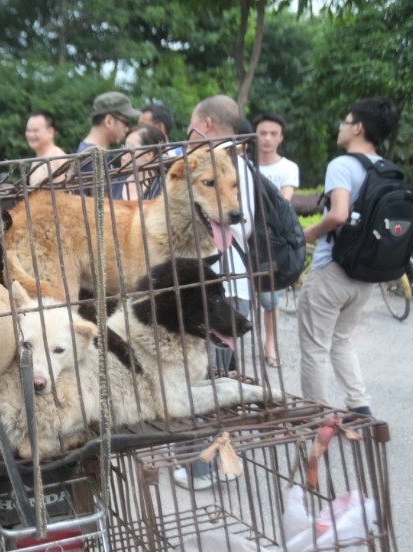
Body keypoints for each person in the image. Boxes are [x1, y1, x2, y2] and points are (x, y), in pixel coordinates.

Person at [298, 97, 402, 419]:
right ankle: (359, 404)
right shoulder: (388, 170)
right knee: (341, 339)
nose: (340, 128)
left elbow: (339, 214)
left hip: (333, 270)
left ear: (358, 127)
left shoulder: (342, 165)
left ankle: (318, 415)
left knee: (315, 346)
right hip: (367, 273)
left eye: (345, 122)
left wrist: (311, 232)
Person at [173, 94, 256, 491]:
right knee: (216, 376)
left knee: (196, 379)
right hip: (234, 284)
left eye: (190, 124)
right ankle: (218, 459)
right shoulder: (245, 166)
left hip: (209, 285)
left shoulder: (209, 166)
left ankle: (201, 466)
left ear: (205, 123)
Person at [253, 113, 301, 369]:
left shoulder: (287, 168)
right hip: (244, 237)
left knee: (271, 300)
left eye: (273, 134)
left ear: (281, 137)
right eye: (262, 133)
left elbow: (283, 203)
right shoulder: (245, 163)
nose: (267, 139)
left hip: (271, 245)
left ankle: (270, 343)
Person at [76, 91, 141, 199]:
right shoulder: (94, 157)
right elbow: (105, 207)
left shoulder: (90, 151)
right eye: (126, 122)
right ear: (109, 121)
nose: (127, 129)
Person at [118, 123, 165, 200]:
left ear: (149, 154)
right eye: (124, 146)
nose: (123, 152)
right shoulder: (114, 181)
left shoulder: (162, 186)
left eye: (130, 148)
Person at [24, 110, 68, 187]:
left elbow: (68, 195)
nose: (31, 135)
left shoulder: (58, 158)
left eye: (35, 130)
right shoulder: (36, 160)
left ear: (50, 132)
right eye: (28, 130)